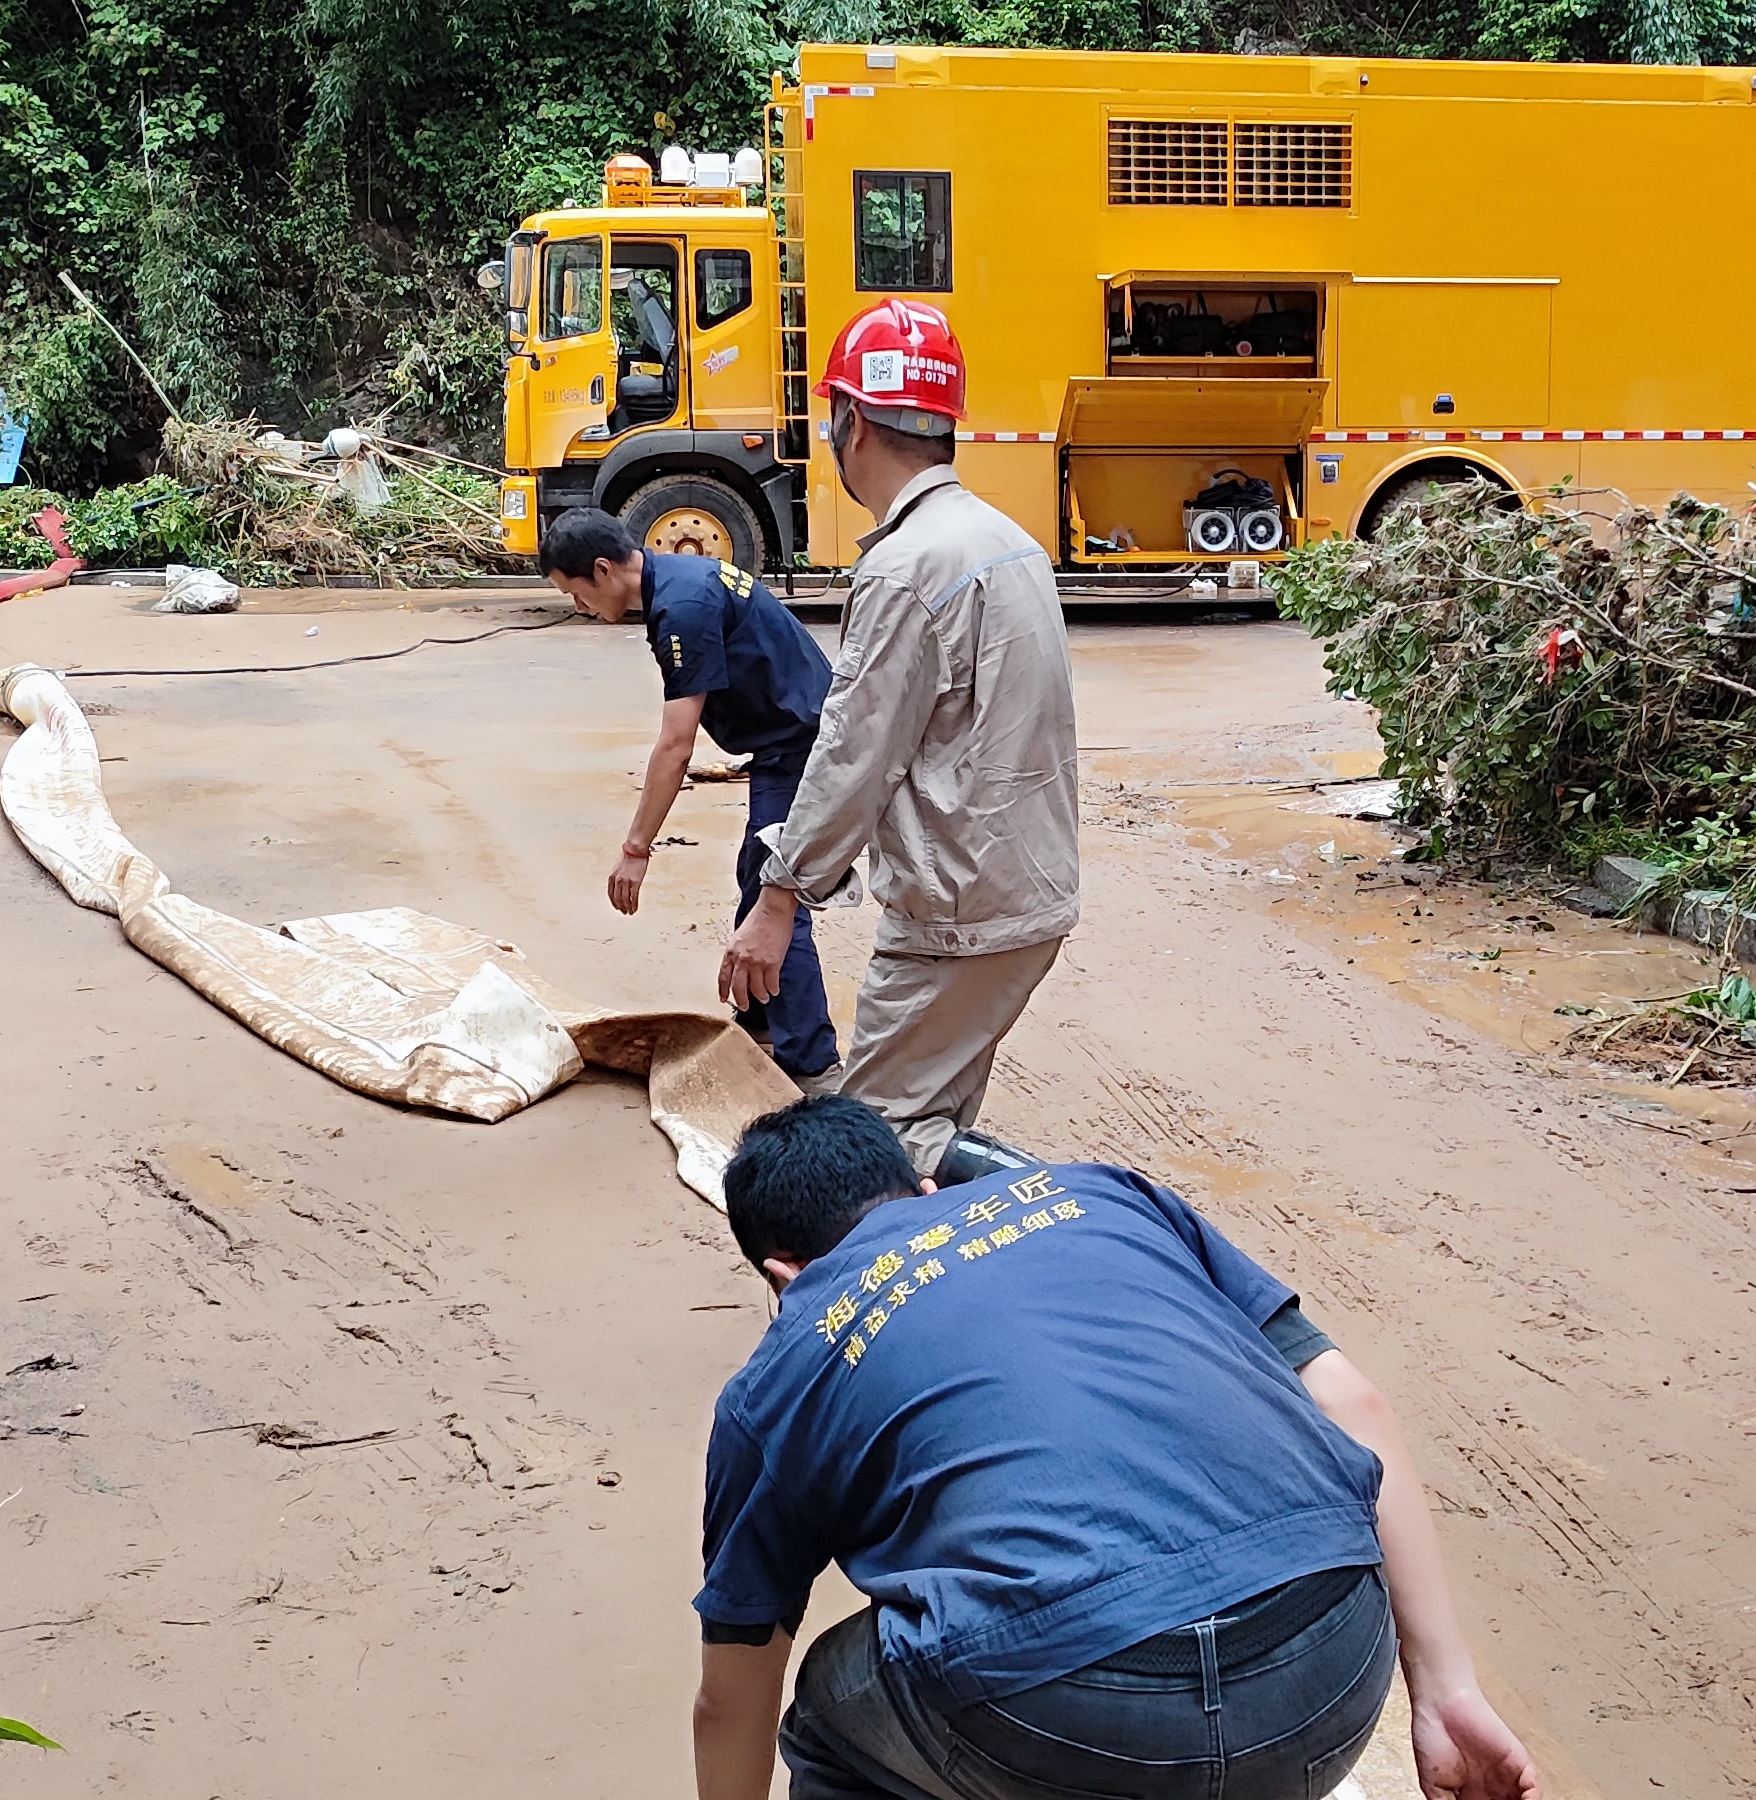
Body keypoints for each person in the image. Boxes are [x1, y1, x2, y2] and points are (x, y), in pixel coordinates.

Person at [690, 1095, 1543, 1800]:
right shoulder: (1106, 1195)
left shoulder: (780, 1371)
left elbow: (734, 1694)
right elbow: (1356, 1404)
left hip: (1070, 1713)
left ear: (780, 1274)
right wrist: (1446, 1687)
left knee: (832, 1719)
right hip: (1335, 1669)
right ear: (920, 1188)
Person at [723, 301, 1077, 1178]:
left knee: (867, 1144)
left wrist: (778, 900)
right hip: (1027, 895)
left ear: (849, 423)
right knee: (933, 1117)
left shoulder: (906, 565)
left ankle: (1054, 1212)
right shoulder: (1010, 544)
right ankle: (967, 1271)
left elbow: (855, 752)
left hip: (953, 916)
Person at [542, 506, 840, 1079]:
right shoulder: (678, 578)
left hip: (803, 749)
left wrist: (635, 849)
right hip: (797, 737)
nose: (578, 607)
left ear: (603, 570)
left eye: (574, 592)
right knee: (756, 878)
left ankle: (814, 1065)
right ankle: (762, 1024)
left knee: (777, 897)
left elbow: (676, 746)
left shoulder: (681, 607)